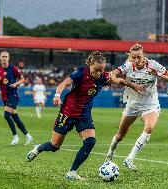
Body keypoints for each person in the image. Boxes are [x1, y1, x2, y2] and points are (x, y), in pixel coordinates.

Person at [26, 51, 144, 180]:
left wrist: (134, 86)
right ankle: (38, 148)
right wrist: (57, 95)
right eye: (96, 70)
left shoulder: (104, 77)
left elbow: (120, 81)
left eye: (101, 70)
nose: (98, 73)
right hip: (67, 113)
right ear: (90, 65)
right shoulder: (80, 73)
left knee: (90, 141)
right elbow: (63, 84)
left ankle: (72, 172)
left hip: (84, 114)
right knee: (54, 146)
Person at [105, 44, 168, 171]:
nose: (136, 60)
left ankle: (129, 158)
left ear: (144, 55)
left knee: (149, 127)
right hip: (132, 104)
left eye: (139, 57)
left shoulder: (154, 65)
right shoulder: (127, 66)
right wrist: (116, 79)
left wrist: (158, 74)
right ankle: (109, 155)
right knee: (120, 135)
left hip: (150, 104)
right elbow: (113, 74)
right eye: (133, 57)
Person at [0, 51, 33, 145]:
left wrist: (15, 84)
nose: (4, 58)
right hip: (5, 97)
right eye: (2, 56)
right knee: (15, 118)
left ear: (8, 58)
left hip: (13, 96)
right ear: (0, 59)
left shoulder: (13, 69)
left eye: (6, 56)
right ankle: (28, 136)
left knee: (6, 115)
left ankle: (15, 137)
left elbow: (22, 78)